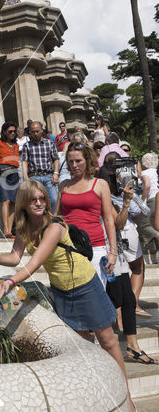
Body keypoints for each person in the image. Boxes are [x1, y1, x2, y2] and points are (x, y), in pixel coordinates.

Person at [0, 180, 139, 412]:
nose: (39, 203)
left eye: (42, 199)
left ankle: (127, 397)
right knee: (81, 345)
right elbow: (15, 257)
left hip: (84, 284)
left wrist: (9, 283)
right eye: (33, 200)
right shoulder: (25, 227)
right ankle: (96, 396)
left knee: (108, 341)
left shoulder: (54, 226)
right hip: (62, 291)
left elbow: (35, 262)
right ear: (24, 204)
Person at [100, 157, 156, 328]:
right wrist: (129, 199)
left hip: (110, 237)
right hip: (123, 232)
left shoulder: (102, 191)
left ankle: (123, 314)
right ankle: (133, 305)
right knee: (136, 269)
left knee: (118, 278)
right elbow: (138, 211)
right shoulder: (119, 193)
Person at [56, 142, 117, 287]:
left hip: (95, 247)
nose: (74, 165)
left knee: (97, 296)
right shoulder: (63, 185)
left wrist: (113, 252)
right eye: (71, 161)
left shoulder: (100, 184)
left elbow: (109, 220)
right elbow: (57, 218)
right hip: (68, 247)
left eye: (78, 161)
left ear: (87, 160)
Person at [21, 121, 59, 211]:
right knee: (35, 202)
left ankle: (53, 220)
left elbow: (56, 159)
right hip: (34, 177)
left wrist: (56, 173)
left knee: (54, 200)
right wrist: (25, 176)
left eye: (37, 131)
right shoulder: (27, 145)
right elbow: (24, 161)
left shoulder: (49, 143)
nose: (35, 134)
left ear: (42, 130)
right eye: (33, 132)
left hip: (48, 176)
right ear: (30, 132)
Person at [137, 153, 159, 265]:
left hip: (152, 199)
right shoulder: (156, 172)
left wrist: (142, 200)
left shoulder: (145, 173)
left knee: (144, 225)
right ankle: (156, 257)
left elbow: (147, 185)